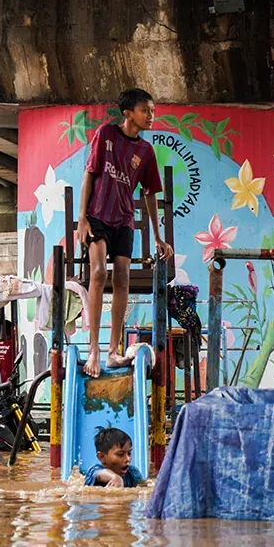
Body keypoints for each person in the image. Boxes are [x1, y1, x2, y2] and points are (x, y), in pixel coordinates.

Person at [76, 88, 173, 377]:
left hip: (124, 220)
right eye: (146, 110)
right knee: (97, 274)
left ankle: (113, 352)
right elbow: (90, 174)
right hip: (97, 216)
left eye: (153, 111)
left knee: (122, 277)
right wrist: (82, 219)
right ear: (128, 113)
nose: (151, 115)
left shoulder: (145, 151)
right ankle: (93, 349)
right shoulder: (105, 134)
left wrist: (157, 236)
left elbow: (150, 194)